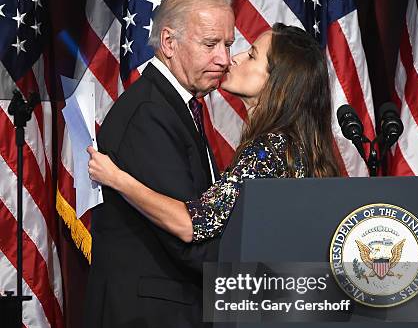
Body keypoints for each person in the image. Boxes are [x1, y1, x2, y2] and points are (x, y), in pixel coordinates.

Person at [80, 0, 235, 328]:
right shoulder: (149, 112)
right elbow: (188, 234)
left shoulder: (176, 107)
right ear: (169, 42)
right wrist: (257, 275)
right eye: (210, 44)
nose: (224, 59)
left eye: (228, 44)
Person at [87, 23, 340, 245]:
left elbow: (192, 225)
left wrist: (117, 178)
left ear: (278, 84)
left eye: (252, 56)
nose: (235, 58)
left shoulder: (268, 150)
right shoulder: (293, 146)